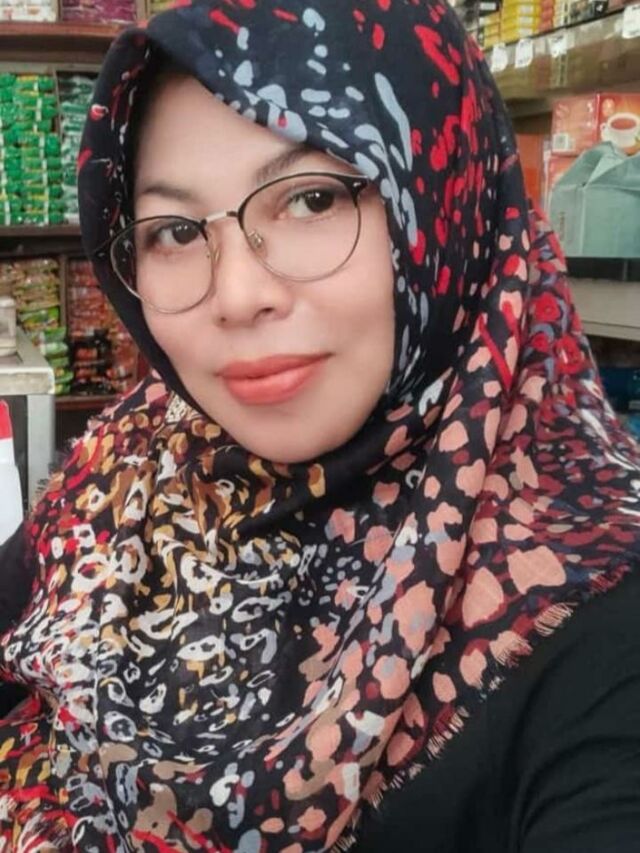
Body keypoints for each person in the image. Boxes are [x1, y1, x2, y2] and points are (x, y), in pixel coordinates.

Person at [1, 0, 640, 849]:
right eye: (177, 231)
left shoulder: (595, 618)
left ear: (444, 199)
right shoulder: (136, 462)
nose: (237, 295)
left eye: (311, 199)